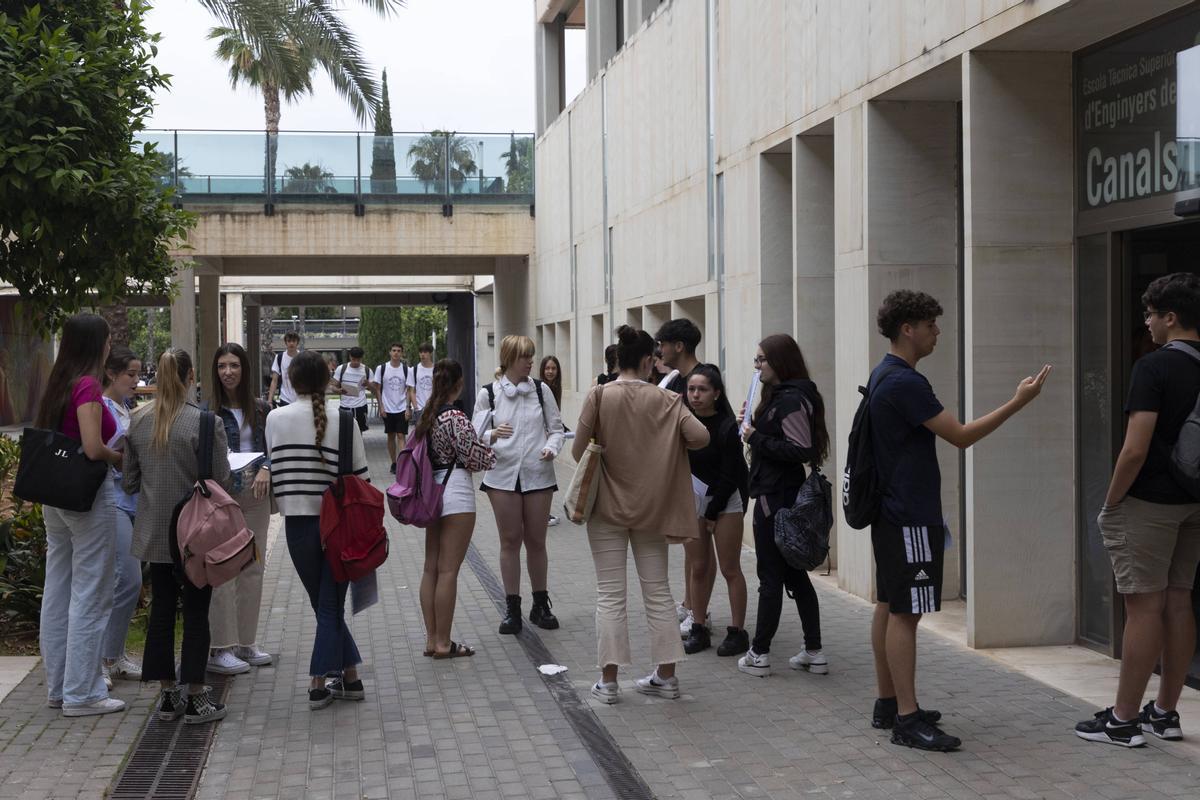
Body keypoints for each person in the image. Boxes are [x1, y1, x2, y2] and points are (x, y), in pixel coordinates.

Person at [866, 290, 1049, 751]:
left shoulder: (884, 373)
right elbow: (962, 436)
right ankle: (906, 720)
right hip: (908, 514)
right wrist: (1019, 401)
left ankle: (890, 703)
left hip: (892, 512)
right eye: (931, 325)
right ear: (908, 328)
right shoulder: (906, 382)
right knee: (906, 614)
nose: (937, 333)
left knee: (890, 605)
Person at [1077, 273, 1200, 748]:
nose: (1146, 323)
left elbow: (1134, 449)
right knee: (1179, 600)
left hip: (1149, 503)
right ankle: (1165, 713)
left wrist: (1111, 501)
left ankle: (1123, 720)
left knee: (1142, 606)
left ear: (1171, 318)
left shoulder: (1153, 368)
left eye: (1150, 314)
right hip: (1194, 502)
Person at [573, 325, 709, 704]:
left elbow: (577, 453)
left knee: (610, 594)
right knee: (659, 592)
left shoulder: (599, 396)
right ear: (650, 361)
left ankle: (609, 682)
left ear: (618, 359)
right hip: (652, 510)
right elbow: (701, 437)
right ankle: (666, 677)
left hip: (606, 512)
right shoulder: (667, 401)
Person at [124, 348, 232, 725]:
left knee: (162, 611)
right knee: (198, 612)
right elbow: (222, 480)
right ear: (190, 378)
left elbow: (129, 481)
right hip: (195, 535)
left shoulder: (138, 421)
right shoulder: (205, 423)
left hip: (155, 532)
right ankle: (198, 696)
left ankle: (168, 695)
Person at [265, 351, 370, 709]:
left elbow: (275, 469)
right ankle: (342, 679)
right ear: (328, 380)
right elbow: (362, 480)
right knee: (330, 606)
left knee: (325, 605)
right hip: (339, 527)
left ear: (291, 380)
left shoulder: (275, 418)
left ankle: (323, 681)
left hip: (297, 526)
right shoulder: (346, 420)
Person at [36, 313, 125, 717]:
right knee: (91, 592)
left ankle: (60, 688)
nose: (110, 345)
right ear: (96, 343)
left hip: (53, 494)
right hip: (87, 497)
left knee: (58, 589)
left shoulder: (58, 383)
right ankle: (83, 694)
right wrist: (119, 457)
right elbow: (92, 448)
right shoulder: (88, 385)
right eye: (107, 339)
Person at [736, 335, 830, 680]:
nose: (757, 366)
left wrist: (753, 436)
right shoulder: (784, 397)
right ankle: (814, 651)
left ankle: (759, 653)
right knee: (794, 576)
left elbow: (800, 449)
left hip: (776, 500)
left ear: (779, 361)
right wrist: (753, 426)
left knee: (771, 577)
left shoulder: (791, 399)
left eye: (762, 359)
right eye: (756, 360)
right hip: (777, 496)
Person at [475, 336, 566, 635]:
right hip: (502, 476)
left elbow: (556, 429)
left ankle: (541, 605)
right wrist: (492, 435)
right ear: (509, 358)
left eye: (531, 356)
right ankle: (512, 608)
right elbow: (476, 434)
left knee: (537, 541)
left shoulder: (541, 390)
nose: (530, 361)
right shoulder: (489, 393)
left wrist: (552, 448)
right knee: (510, 541)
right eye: (524, 356)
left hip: (538, 474)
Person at [417, 359, 496, 659]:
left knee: (431, 568)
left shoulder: (428, 414)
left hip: (431, 493)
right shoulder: (457, 418)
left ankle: (431, 639)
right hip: (456, 494)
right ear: (459, 383)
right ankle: (444, 643)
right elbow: (473, 456)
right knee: (448, 570)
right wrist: (491, 455)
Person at [206, 343, 274, 676]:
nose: (228, 371)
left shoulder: (261, 408)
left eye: (234, 365)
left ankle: (246, 642)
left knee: (252, 566)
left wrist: (267, 468)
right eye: (222, 366)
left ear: (245, 369)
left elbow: (273, 447)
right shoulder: (208, 411)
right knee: (223, 569)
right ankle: (221, 647)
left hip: (256, 491)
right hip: (221, 494)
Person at [683, 365, 749, 656]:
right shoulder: (684, 423)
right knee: (698, 567)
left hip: (725, 502)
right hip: (695, 500)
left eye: (702, 390)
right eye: (692, 389)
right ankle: (698, 627)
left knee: (729, 568)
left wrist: (713, 513)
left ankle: (737, 632)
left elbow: (731, 473)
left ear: (716, 393)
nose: (695, 395)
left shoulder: (726, 427)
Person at [655, 319, 715, 636]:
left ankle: (698, 612)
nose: (658, 349)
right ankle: (690, 603)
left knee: (700, 554)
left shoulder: (701, 378)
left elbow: (715, 433)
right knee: (692, 552)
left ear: (678, 345)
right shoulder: (677, 380)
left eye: (662, 343)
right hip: (685, 478)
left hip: (702, 480)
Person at [100, 346, 144, 687]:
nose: (136, 380)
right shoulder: (100, 407)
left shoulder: (125, 407)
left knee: (128, 582)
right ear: (112, 374)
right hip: (111, 501)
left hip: (132, 501)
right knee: (125, 580)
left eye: (137, 373)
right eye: (130, 373)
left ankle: (113, 656)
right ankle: (100, 659)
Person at [371, 342, 412, 473]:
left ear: (402, 353)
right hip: (387, 407)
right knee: (391, 435)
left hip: (401, 407)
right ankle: (394, 463)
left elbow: (409, 390)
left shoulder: (407, 369)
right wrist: (381, 407)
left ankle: (403, 463)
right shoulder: (381, 368)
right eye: (394, 350)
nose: (396, 353)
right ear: (390, 352)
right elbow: (377, 389)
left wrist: (407, 408)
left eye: (399, 351)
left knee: (401, 435)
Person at [539, 354, 565, 527]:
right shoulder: (540, 388)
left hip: (549, 438)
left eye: (553, 368)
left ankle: (543, 513)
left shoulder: (555, 387)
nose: (550, 371)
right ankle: (542, 514)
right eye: (547, 368)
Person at [332, 346, 371, 433]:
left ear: (361, 358)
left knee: (359, 432)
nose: (356, 362)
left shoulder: (367, 370)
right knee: (344, 431)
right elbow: (333, 386)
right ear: (350, 357)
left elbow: (374, 389)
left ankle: (358, 446)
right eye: (354, 359)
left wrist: (368, 384)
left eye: (358, 360)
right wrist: (338, 391)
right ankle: (346, 447)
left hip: (360, 406)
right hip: (345, 406)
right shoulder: (341, 369)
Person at [267, 331, 301, 408]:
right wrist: (269, 401)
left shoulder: (302, 357)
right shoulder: (279, 357)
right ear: (286, 343)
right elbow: (274, 380)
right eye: (289, 341)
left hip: (300, 399)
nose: (291, 343)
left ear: (297, 343)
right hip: (284, 398)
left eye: (293, 341)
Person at [407, 342, 436, 417]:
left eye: (425, 352)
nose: (422, 354)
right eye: (421, 352)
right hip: (419, 410)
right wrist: (416, 408)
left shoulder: (437, 369)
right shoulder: (413, 370)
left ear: (430, 353)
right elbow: (412, 391)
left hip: (434, 409)